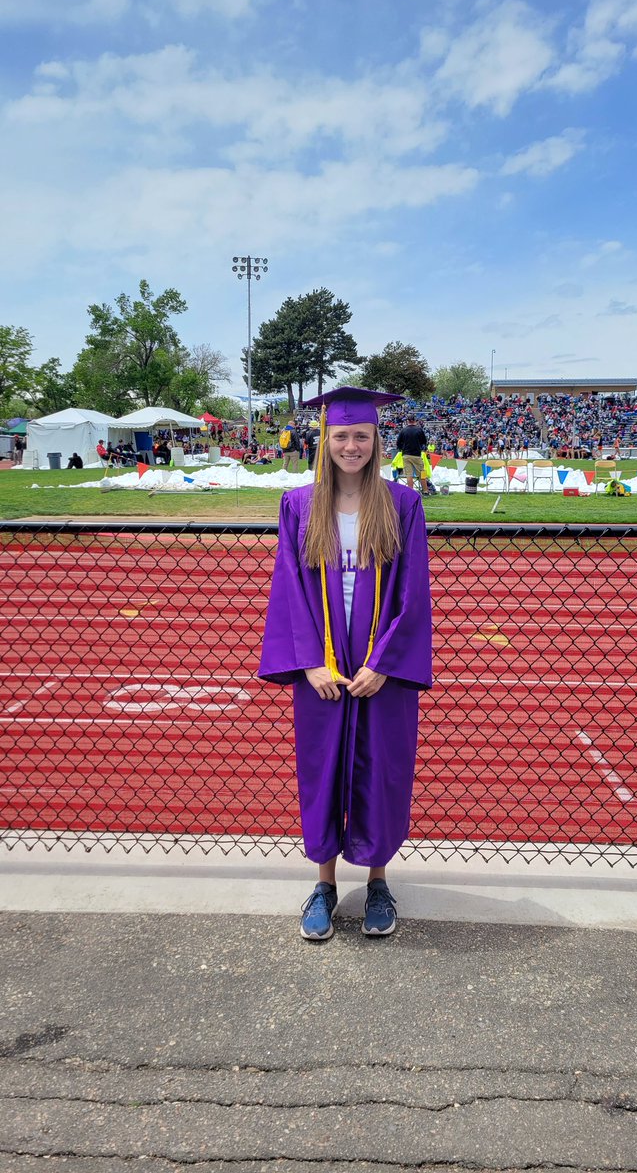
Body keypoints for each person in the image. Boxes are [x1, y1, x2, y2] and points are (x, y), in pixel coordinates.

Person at [259, 387, 433, 941]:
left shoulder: (402, 504)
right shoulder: (299, 505)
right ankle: (325, 886)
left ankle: (378, 882)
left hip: (381, 666)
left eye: (361, 435)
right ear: (325, 440)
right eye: (341, 436)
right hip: (324, 669)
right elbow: (288, 588)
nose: (351, 445)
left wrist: (385, 663)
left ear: (376, 439)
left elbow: (413, 592)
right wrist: (309, 663)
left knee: (380, 769)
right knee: (323, 770)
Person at [396, 413, 429, 494]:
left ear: (407, 421)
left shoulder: (403, 430)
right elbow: (424, 442)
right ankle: (425, 491)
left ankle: (410, 492)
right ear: (415, 421)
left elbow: (398, 443)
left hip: (406, 455)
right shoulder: (419, 430)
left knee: (409, 474)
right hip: (417, 455)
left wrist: (402, 448)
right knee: (422, 473)